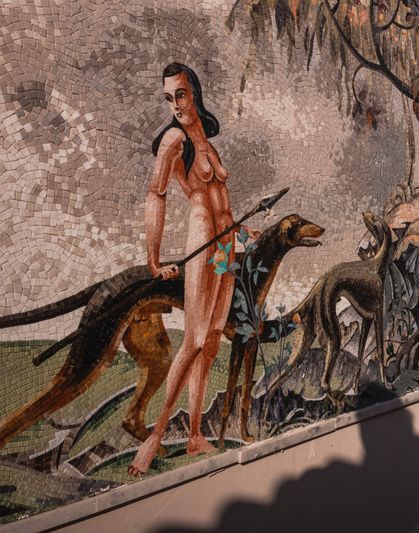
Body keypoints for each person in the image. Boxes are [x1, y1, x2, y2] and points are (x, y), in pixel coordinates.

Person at [129, 63, 256, 476]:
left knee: (212, 340)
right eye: (169, 98)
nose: (176, 105)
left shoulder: (206, 140)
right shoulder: (174, 140)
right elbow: (156, 194)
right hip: (202, 239)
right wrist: (153, 259)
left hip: (226, 245)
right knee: (195, 337)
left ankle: (196, 434)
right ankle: (155, 435)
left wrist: (242, 230)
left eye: (180, 95)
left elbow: (224, 202)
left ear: (195, 92)